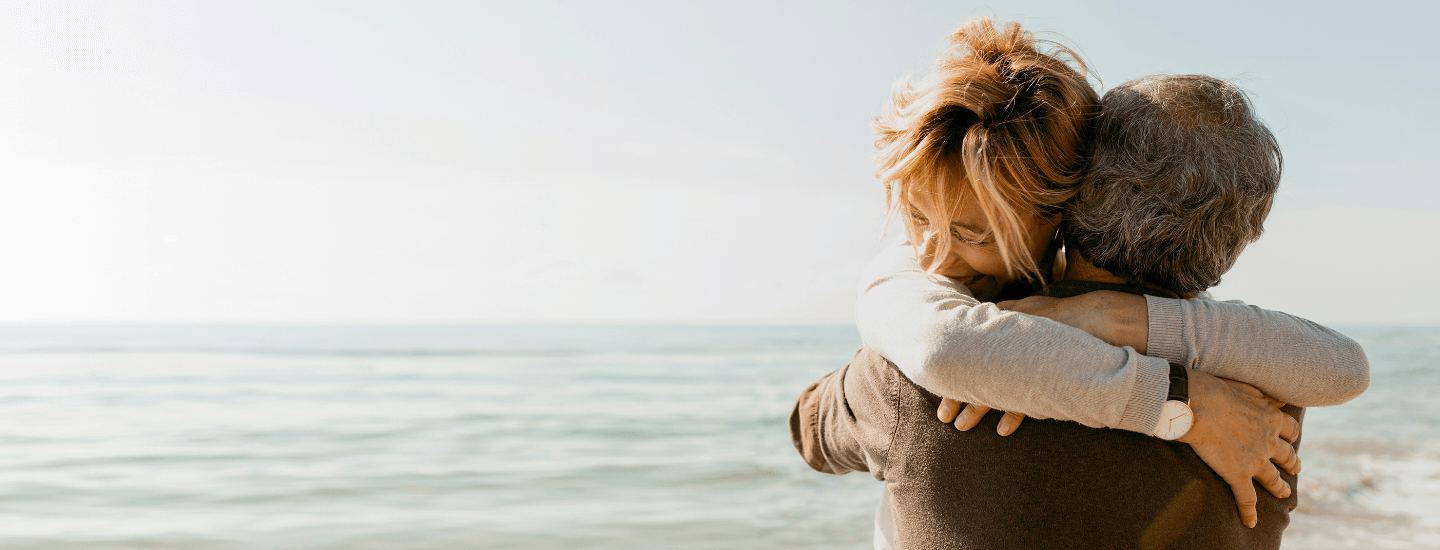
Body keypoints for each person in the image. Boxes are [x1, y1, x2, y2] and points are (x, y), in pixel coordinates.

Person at [791, 18, 1368, 549]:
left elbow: (810, 426)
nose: (929, 255)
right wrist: (1170, 385)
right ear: (1248, 234)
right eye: (916, 219)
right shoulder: (1270, 397)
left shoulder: (909, 373)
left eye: (974, 233)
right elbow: (1348, 370)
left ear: (1070, 200)